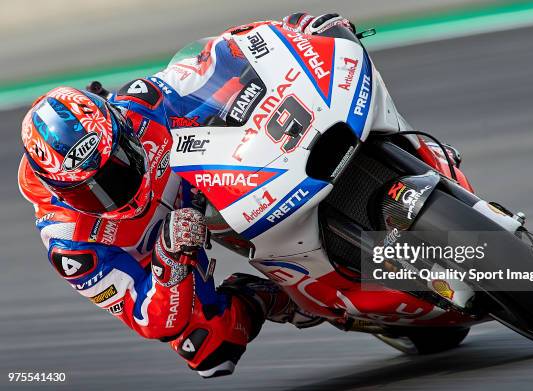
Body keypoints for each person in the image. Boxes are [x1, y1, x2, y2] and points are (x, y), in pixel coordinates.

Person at [17, 13, 353, 378]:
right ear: (59, 191)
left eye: (117, 165)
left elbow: (220, 55)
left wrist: (296, 28)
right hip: (173, 249)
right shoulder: (71, 245)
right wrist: (168, 258)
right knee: (208, 348)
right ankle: (273, 297)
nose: (111, 191)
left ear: (122, 130)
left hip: (216, 173)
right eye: (89, 193)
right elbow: (148, 318)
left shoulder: (142, 105)